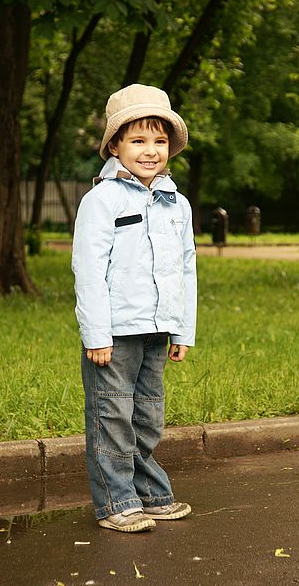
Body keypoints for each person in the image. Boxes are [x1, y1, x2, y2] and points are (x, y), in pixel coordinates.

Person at [71, 84, 197, 533]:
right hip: (115, 334)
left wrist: (183, 330)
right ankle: (116, 501)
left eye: (159, 141)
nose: (150, 151)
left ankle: (151, 494)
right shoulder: (101, 200)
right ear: (115, 145)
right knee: (112, 416)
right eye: (138, 140)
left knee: (147, 414)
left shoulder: (176, 204)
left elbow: (186, 269)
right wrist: (96, 335)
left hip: (157, 329)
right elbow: (88, 271)